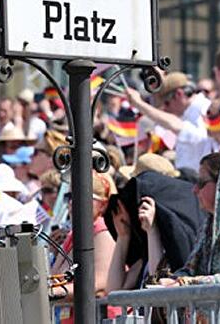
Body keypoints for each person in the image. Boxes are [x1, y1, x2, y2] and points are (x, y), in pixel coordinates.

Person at [160, 151, 220, 286]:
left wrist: (190, 282)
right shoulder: (208, 226)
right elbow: (190, 270)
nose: (194, 190)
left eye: (201, 183)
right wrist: (174, 280)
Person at [50, 171, 116, 323]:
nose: (72, 203)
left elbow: (99, 284)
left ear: (103, 204)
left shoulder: (103, 231)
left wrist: (51, 293)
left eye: (80, 196)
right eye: (69, 197)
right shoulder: (74, 234)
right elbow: (54, 279)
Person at [125, 72, 210, 171]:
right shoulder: (188, 113)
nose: (164, 109)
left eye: (166, 103)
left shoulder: (205, 110)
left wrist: (139, 104)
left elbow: (179, 126)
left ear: (179, 94)